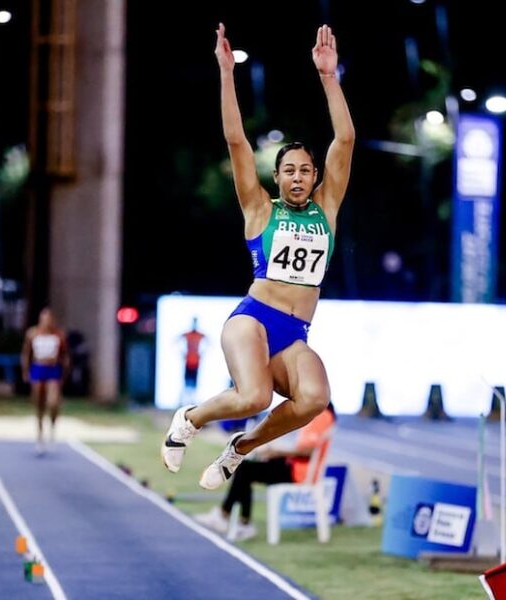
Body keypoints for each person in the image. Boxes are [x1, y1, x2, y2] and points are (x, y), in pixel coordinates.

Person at [160, 22, 354, 491]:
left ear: (315, 177)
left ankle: (240, 449)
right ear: (277, 177)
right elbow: (236, 141)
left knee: (314, 399)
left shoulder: (327, 210)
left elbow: (345, 139)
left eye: (306, 170)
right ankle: (191, 418)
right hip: (254, 318)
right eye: (289, 170)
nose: (298, 177)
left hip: (295, 333)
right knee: (254, 396)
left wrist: (329, 77)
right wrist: (227, 74)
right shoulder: (259, 209)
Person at [194, 403, 336, 541]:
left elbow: (308, 451)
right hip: (295, 467)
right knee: (246, 468)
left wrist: (278, 452)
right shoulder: (318, 414)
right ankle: (234, 519)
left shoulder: (322, 415)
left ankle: (230, 518)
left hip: (298, 473)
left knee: (245, 470)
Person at [21, 307, 69, 454]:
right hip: (38, 368)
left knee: (53, 402)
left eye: (49, 319)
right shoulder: (32, 333)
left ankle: (52, 429)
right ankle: (40, 435)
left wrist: (64, 372)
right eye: (44, 319)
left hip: (53, 369)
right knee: (39, 404)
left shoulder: (59, 334)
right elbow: (26, 353)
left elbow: (65, 355)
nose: (46, 321)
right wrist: (26, 371)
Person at [179, 317, 208, 406]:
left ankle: (192, 401)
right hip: (188, 362)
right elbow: (176, 340)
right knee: (186, 382)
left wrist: (202, 353)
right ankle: (185, 401)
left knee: (194, 383)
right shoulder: (188, 334)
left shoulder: (200, 335)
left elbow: (209, 341)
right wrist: (181, 352)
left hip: (196, 362)